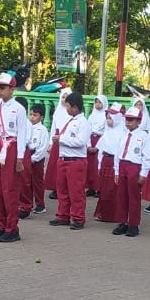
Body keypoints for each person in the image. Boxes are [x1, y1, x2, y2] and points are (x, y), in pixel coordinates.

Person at [0, 72, 30, 242]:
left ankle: (12, 228)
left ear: (12, 89)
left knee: (9, 189)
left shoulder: (19, 109)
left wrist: (20, 157)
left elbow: (22, 133)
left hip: (11, 148)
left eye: (2, 87)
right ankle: (1, 225)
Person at [49, 91, 90, 230]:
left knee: (76, 192)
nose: (66, 108)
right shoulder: (69, 120)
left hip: (76, 160)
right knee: (62, 190)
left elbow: (81, 142)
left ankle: (78, 218)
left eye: (68, 106)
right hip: (64, 159)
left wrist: (62, 139)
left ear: (75, 107)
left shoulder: (83, 122)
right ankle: (63, 216)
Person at [112, 105, 150, 238]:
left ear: (138, 121)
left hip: (135, 167)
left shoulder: (144, 136)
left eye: (131, 120)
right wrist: (116, 171)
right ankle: (122, 222)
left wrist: (143, 174)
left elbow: (147, 157)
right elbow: (117, 153)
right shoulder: (123, 135)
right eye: (127, 119)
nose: (128, 122)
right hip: (123, 165)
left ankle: (133, 224)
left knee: (133, 196)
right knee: (121, 196)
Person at [93, 102, 124, 222]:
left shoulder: (122, 132)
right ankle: (103, 213)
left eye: (111, 118)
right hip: (105, 161)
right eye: (107, 118)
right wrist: (99, 163)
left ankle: (114, 215)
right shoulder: (107, 131)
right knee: (104, 189)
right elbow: (101, 149)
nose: (108, 121)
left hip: (115, 163)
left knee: (113, 189)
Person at [19, 102, 49, 218]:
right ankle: (28, 202)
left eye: (35, 115)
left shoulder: (42, 130)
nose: (32, 117)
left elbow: (43, 147)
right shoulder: (26, 126)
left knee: (37, 182)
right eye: (31, 114)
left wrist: (34, 158)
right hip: (27, 155)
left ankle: (40, 204)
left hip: (37, 158)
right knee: (26, 181)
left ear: (41, 117)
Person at [44, 87, 73, 200]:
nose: (64, 100)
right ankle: (55, 188)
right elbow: (53, 128)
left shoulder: (71, 113)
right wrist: (51, 143)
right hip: (56, 140)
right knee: (55, 166)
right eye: (63, 97)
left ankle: (65, 188)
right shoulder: (58, 111)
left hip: (66, 141)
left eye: (66, 97)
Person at [85, 94, 108, 197]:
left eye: (100, 102)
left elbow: (106, 132)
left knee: (98, 165)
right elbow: (87, 130)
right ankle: (91, 187)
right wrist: (89, 145)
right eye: (96, 102)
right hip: (91, 139)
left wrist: (97, 146)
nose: (98, 104)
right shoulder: (91, 116)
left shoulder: (106, 116)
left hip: (101, 141)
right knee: (90, 166)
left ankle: (99, 188)